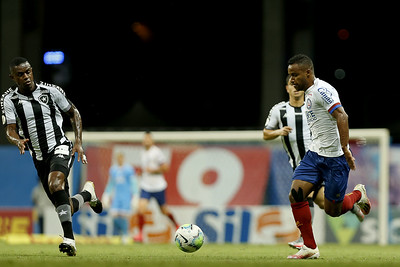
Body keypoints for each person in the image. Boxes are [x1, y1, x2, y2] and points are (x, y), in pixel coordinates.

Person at [1, 57, 102, 256]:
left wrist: (79, 143)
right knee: (64, 207)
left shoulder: (51, 91)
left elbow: (73, 113)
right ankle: (88, 195)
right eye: (20, 74)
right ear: (13, 77)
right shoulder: (8, 99)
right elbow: (10, 129)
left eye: (28, 72)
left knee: (56, 185)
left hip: (60, 147)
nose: (26, 77)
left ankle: (69, 240)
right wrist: (17, 141)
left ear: (32, 71)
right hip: (38, 157)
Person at [263, 76, 364, 249]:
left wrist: (342, 147)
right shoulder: (279, 110)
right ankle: (353, 200)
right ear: (286, 88)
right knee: (326, 205)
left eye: (297, 84)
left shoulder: (312, 105)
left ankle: (305, 241)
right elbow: (265, 134)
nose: (295, 87)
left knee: (303, 195)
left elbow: (337, 117)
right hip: (300, 163)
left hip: (319, 161)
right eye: (290, 84)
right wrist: (279, 131)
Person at [285, 54, 371, 259]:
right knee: (296, 194)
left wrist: (345, 149)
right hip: (314, 156)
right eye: (290, 76)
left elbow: (342, 115)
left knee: (333, 210)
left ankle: (358, 195)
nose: (292, 80)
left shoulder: (323, 91)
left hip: (335, 159)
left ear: (308, 72)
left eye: (295, 75)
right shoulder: (308, 92)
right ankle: (310, 247)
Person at [134, 131, 179, 242]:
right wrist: (141, 172)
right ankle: (140, 234)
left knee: (164, 211)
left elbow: (165, 167)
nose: (146, 141)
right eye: (145, 139)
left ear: (152, 140)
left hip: (158, 186)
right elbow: (145, 169)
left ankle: (177, 226)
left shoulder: (157, 152)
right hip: (146, 186)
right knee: (141, 209)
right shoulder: (142, 152)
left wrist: (153, 170)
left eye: (148, 139)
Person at [102, 152, 139, 244]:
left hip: (126, 196)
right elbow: (111, 183)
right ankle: (118, 235)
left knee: (124, 216)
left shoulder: (129, 169)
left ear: (123, 158)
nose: (119, 159)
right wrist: (106, 195)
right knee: (114, 216)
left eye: (121, 158)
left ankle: (126, 235)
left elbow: (133, 183)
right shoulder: (113, 170)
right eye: (118, 158)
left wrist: (135, 195)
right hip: (117, 197)